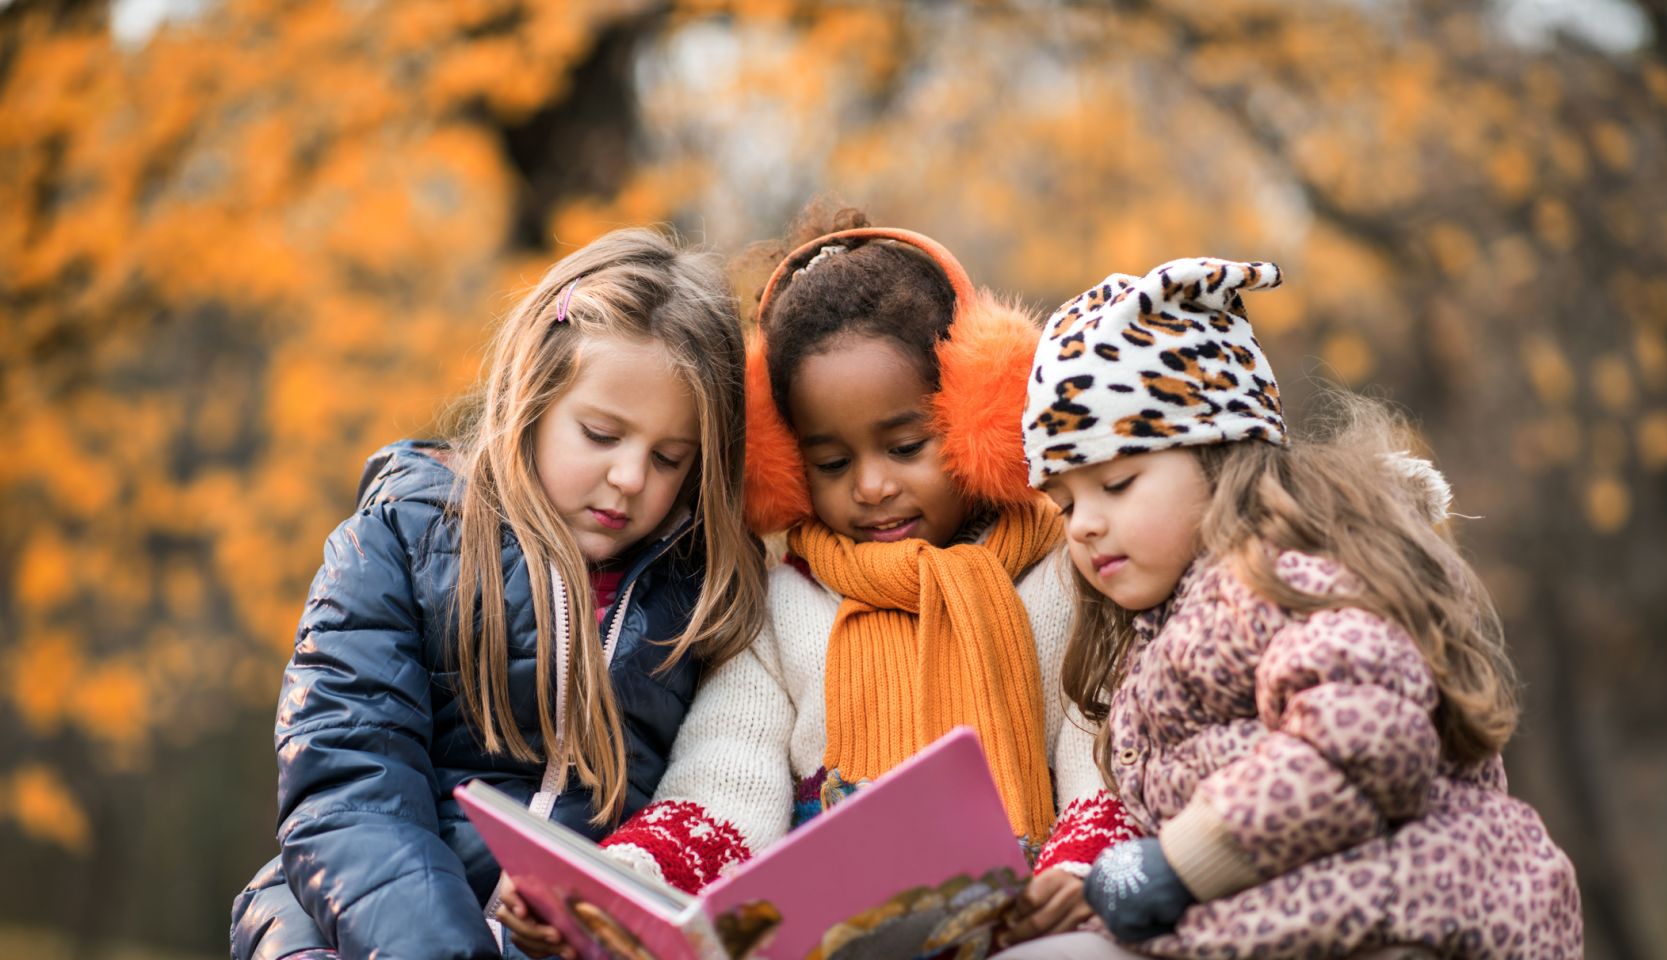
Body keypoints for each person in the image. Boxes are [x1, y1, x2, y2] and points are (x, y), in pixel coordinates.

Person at [540, 206, 1136, 956]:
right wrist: (631, 877)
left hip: (1031, 923)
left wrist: (1079, 868)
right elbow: (726, 776)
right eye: (831, 463)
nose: (872, 486)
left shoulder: (1064, 577)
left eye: (907, 444)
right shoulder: (784, 607)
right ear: (784, 465)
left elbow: (1103, 754)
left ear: (980, 412)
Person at [996, 258, 1582, 959]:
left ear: (1219, 454)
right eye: (1064, 503)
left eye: (1116, 483)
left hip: (1417, 914)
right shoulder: (1161, 631)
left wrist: (1178, 864)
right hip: (1301, 917)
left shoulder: (1280, 581)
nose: (1084, 524)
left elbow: (1362, 736)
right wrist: (1094, 883)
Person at [227, 228, 766, 960]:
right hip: (356, 923)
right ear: (533, 399)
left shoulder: (703, 599)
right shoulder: (400, 539)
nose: (632, 478)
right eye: (601, 435)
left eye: (669, 458)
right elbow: (349, 792)